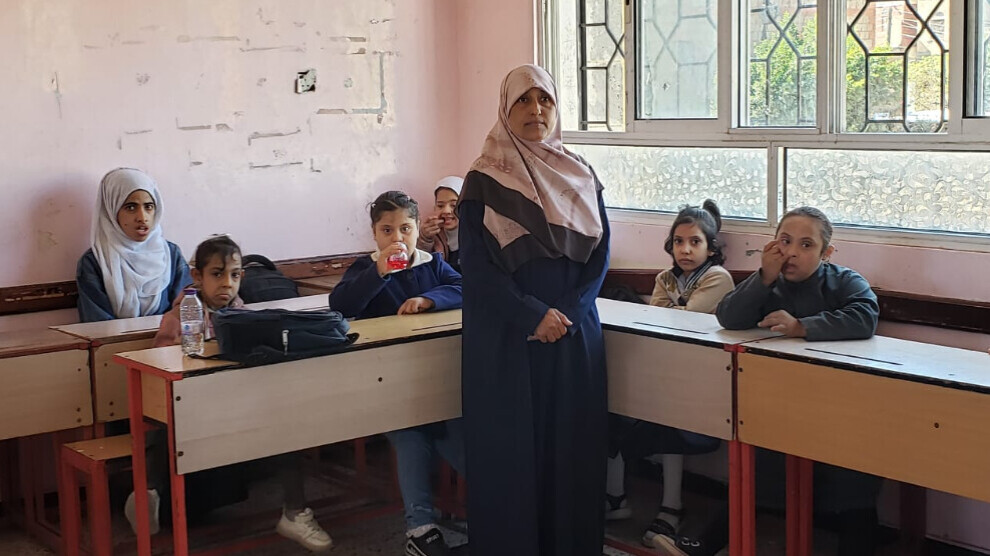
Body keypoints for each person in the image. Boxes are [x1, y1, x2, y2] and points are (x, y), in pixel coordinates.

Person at [662, 206, 881, 556]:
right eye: (785, 241)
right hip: (780, 400)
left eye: (806, 245)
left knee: (854, 476)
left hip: (839, 403)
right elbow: (729, 317)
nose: (791, 252)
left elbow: (864, 316)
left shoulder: (844, 281)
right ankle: (705, 545)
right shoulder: (767, 280)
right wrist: (763, 276)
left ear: (826, 252)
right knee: (756, 469)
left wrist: (802, 327)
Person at [458, 64, 610, 556]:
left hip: (572, 336)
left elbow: (600, 256)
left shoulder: (580, 174)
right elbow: (477, 268)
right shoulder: (483, 180)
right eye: (523, 100)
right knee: (512, 457)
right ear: (506, 109)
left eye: (544, 99)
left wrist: (567, 314)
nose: (535, 110)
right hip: (508, 339)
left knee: (572, 452)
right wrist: (531, 315)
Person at [130, 236, 333, 553]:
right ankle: (151, 491)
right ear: (197, 276)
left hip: (237, 405)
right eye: (217, 274)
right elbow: (159, 368)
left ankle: (295, 513)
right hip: (195, 410)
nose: (227, 283)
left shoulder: (242, 314)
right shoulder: (181, 316)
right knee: (168, 422)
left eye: (235, 275)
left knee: (287, 424)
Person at [329, 190, 464, 556]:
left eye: (405, 228)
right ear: (375, 234)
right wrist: (379, 273)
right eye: (387, 230)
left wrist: (429, 299)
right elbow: (341, 304)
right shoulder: (366, 268)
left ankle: (497, 508)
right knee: (410, 436)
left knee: (458, 430)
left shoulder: (431, 264)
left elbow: (464, 287)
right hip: (386, 383)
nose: (397, 238)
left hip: (433, 377)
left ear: (418, 229)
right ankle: (420, 528)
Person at [605, 201, 733, 551]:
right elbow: (656, 320)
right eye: (679, 241)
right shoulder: (665, 278)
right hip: (664, 367)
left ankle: (671, 506)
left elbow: (684, 320)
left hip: (704, 377)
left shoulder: (718, 278)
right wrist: (674, 312)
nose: (685, 249)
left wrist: (674, 311)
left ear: (711, 248)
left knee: (670, 421)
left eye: (695, 242)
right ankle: (615, 496)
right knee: (616, 403)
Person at [76, 168, 190, 322]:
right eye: (130, 207)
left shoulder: (171, 255)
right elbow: (96, 325)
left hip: (169, 337)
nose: (142, 217)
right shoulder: (94, 262)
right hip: (113, 339)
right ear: (111, 211)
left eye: (148, 207)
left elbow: (185, 312)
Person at [417, 176, 464, 272]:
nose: (446, 211)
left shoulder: (475, 234)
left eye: (453, 205)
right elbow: (420, 266)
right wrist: (425, 239)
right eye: (440, 206)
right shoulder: (433, 234)